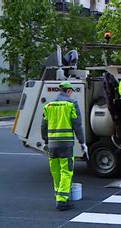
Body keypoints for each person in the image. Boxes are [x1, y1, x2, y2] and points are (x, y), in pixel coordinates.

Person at [41, 81, 87, 211]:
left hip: (52, 145)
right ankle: (62, 201)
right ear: (68, 91)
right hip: (66, 144)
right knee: (66, 171)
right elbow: (77, 125)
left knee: (55, 171)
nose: (71, 94)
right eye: (71, 92)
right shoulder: (71, 104)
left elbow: (43, 126)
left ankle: (58, 195)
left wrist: (45, 141)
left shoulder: (48, 106)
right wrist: (82, 142)